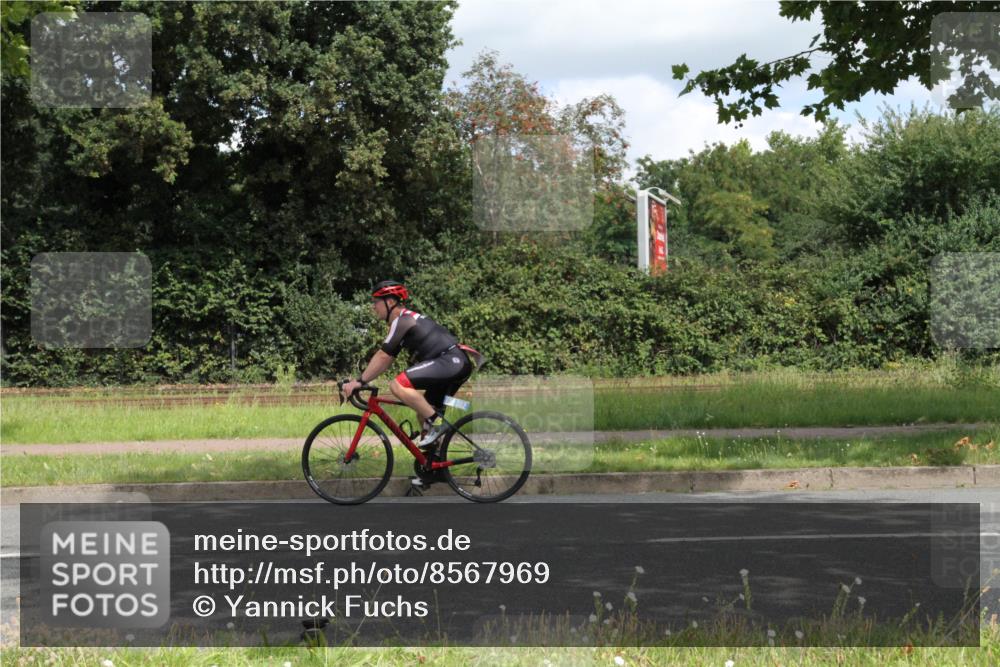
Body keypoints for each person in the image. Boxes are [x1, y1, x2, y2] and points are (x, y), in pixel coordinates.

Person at [341, 280, 475, 454]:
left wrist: (358, 382)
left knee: (398, 385)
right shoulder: (404, 321)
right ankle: (433, 463)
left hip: (451, 361)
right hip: (454, 362)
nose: (373, 307)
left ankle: (437, 425)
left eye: (376, 302)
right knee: (423, 411)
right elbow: (387, 360)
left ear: (390, 302)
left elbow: (382, 356)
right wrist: (361, 380)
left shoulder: (403, 320)